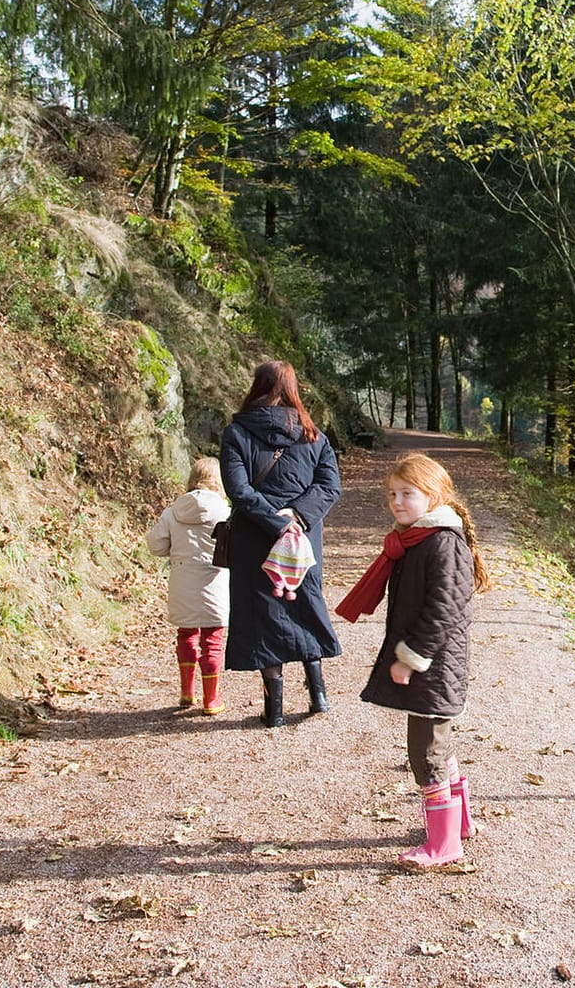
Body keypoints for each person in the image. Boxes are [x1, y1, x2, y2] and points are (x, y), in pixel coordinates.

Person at [337, 452, 490, 869]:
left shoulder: (442, 543)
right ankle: (459, 825)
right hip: (434, 666)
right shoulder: (419, 539)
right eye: (392, 495)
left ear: (434, 495)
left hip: (434, 665)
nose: (397, 502)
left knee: (425, 752)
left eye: (408, 494)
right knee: (438, 744)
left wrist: (410, 658)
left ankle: (444, 845)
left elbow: (442, 611)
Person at [220, 360, 341, 728]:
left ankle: (273, 710)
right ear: (293, 389)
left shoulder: (236, 432)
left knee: (263, 618)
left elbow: (238, 490)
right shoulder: (314, 435)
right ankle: (318, 694)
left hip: (255, 539)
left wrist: (275, 522)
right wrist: (297, 518)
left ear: (255, 387)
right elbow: (329, 486)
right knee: (305, 607)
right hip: (303, 540)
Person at [145, 458, 231, 715]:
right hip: (214, 580)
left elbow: (156, 546)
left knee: (186, 634)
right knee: (212, 640)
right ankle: (211, 700)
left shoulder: (173, 512)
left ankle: (186, 692)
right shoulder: (225, 512)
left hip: (182, 579)